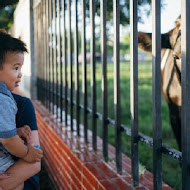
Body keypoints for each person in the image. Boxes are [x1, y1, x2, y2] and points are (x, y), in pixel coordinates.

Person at [0, 30, 43, 189]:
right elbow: (10, 141)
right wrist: (27, 152)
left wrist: (14, 131)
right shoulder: (3, 100)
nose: (20, 74)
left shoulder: (22, 105)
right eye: (16, 68)